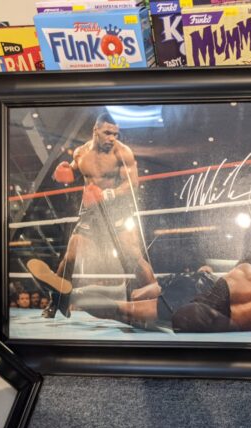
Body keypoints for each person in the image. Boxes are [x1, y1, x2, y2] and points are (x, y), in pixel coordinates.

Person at [29, 113, 158, 319]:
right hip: (91, 212)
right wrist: (63, 172)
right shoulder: (80, 153)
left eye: (115, 134)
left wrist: (109, 194)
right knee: (70, 258)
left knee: (134, 256)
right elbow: (73, 172)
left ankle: (156, 299)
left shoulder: (122, 153)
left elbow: (133, 184)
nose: (112, 138)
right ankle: (57, 302)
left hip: (116, 210)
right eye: (107, 133)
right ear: (95, 131)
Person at [71, 263, 251, 333]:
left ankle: (71, 294)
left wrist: (205, 271)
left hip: (201, 284)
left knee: (132, 296)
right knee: (123, 310)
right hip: (209, 315)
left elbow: (221, 280)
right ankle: (72, 296)